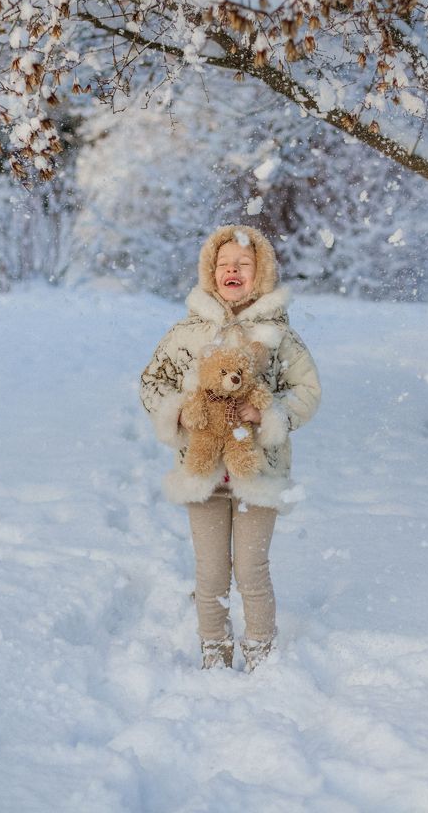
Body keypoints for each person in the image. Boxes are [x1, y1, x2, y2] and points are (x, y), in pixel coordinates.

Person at [140, 225, 321, 672]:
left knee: (251, 570)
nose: (232, 271)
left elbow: (308, 389)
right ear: (210, 272)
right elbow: (152, 381)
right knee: (211, 574)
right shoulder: (187, 332)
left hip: (257, 470)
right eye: (224, 265)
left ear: (260, 273)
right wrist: (176, 414)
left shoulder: (278, 336)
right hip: (201, 470)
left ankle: (261, 653)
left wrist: (271, 415)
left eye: (242, 264)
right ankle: (214, 653)